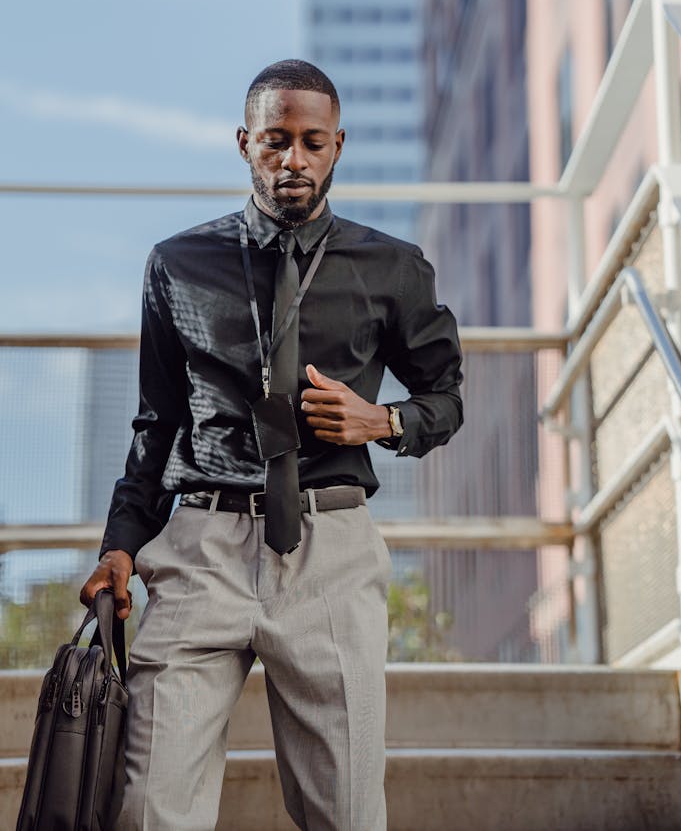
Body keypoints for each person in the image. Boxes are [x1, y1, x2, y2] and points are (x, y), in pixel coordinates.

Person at [80, 59, 463, 831]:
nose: (294, 159)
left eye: (311, 142)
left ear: (337, 145)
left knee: (348, 812)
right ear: (244, 144)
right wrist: (121, 544)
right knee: (152, 806)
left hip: (331, 549)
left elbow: (446, 398)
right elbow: (157, 424)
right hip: (201, 549)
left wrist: (381, 421)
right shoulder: (177, 265)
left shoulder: (394, 268)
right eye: (275, 141)